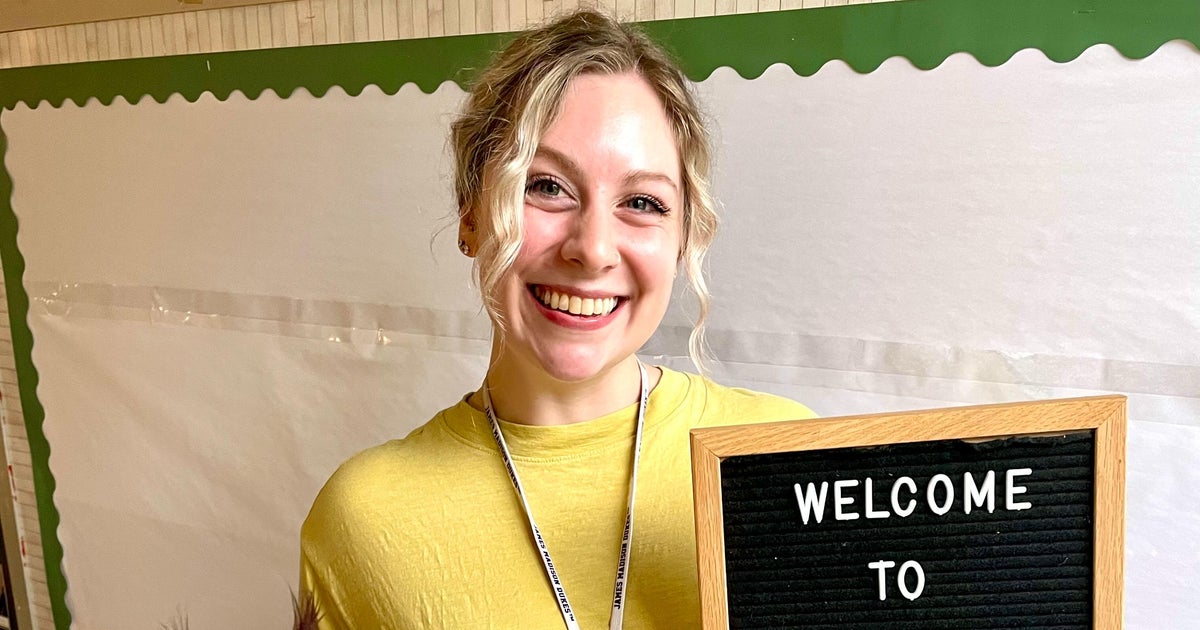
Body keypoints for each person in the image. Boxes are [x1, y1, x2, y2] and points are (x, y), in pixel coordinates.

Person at [300, 10, 815, 628]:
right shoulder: (362, 520)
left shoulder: (789, 462)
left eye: (642, 202)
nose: (592, 249)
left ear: (683, 238)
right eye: (546, 186)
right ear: (470, 214)